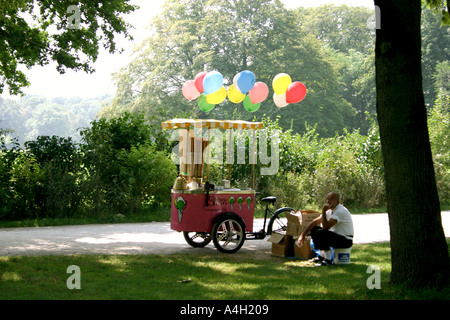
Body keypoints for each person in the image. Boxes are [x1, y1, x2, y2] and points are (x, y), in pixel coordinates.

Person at [297, 192, 354, 266]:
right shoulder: (330, 211)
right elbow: (315, 222)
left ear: (337, 201)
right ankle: (321, 256)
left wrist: (323, 211)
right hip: (337, 237)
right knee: (315, 228)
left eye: (332, 199)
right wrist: (303, 235)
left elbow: (326, 227)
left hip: (346, 240)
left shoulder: (340, 211)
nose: (328, 201)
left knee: (321, 232)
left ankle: (328, 259)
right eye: (328, 198)